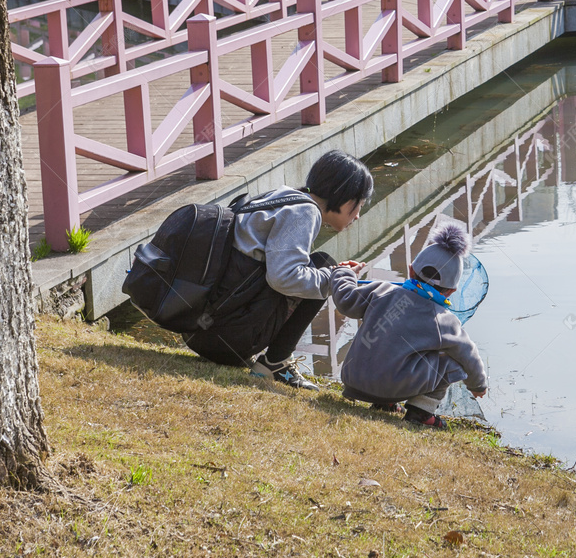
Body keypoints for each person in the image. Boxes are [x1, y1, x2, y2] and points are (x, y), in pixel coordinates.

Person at [184, 149, 374, 391]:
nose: (357, 216)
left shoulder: (283, 197)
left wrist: (330, 275)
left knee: (322, 268)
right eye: (360, 205)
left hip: (200, 330)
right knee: (325, 265)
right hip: (222, 340)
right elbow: (283, 278)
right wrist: (335, 277)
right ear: (347, 199)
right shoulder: (304, 212)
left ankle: (272, 360)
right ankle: (276, 362)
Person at [331, 223, 488, 428]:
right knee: (453, 362)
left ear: (411, 270)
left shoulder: (381, 291)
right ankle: (421, 413)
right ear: (451, 291)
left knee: (387, 341)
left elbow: (345, 299)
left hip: (354, 379)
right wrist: (478, 385)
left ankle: (384, 404)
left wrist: (344, 273)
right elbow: (470, 354)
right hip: (391, 386)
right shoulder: (444, 320)